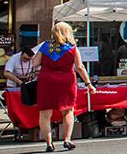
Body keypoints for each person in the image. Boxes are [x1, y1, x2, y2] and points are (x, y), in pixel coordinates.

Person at [31, 23, 95, 152]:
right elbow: (80, 67)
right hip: (66, 80)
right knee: (68, 111)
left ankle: (49, 143)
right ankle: (67, 139)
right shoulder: (72, 48)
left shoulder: (46, 46)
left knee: (44, 113)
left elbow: (35, 63)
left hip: (47, 79)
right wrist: (89, 83)